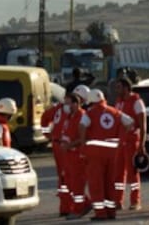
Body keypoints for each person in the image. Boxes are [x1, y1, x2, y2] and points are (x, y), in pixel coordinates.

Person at [80, 89, 134, 221]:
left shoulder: (90, 113)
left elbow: (82, 125)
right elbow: (130, 122)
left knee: (96, 184)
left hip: (95, 152)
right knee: (110, 183)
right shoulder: (115, 111)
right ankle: (111, 211)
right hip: (112, 152)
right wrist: (120, 136)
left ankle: (100, 213)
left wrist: (83, 142)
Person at [113, 78, 147, 211]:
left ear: (126, 88)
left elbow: (142, 124)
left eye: (119, 87)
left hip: (132, 141)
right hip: (120, 142)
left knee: (133, 173)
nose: (117, 90)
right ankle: (117, 201)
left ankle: (135, 201)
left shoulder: (137, 101)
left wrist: (142, 145)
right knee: (118, 174)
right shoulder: (118, 102)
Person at [60, 88, 92, 220]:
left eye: (68, 103)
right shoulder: (69, 117)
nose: (66, 106)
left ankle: (79, 209)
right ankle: (85, 204)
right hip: (68, 156)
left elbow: (84, 137)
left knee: (77, 184)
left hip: (77, 155)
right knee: (69, 183)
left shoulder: (82, 117)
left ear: (75, 103)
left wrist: (70, 145)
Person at [41, 95, 72, 217]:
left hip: (57, 144)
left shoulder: (57, 108)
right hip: (65, 146)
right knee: (69, 176)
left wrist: (48, 135)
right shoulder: (73, 111)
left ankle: (65, 207)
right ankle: (71, 206)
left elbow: (44, 118)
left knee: (63, 177)